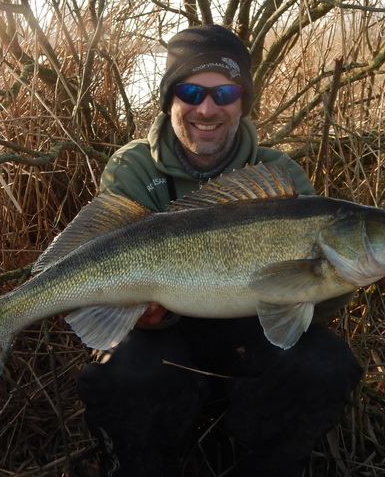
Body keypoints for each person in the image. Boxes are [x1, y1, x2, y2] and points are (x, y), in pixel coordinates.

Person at [78, 24, 362, 476]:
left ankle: (250, 462)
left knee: (322, 365)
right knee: (128, 372)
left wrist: (349, 275)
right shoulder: (132, 167)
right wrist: (136, 309)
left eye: (225, 93)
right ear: (170, 99)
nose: (206, 108)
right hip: (163, 333)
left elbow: (308, 304)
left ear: (243, 101)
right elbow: (102, 261)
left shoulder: (279, 174)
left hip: (250, 329)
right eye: (190, 91)